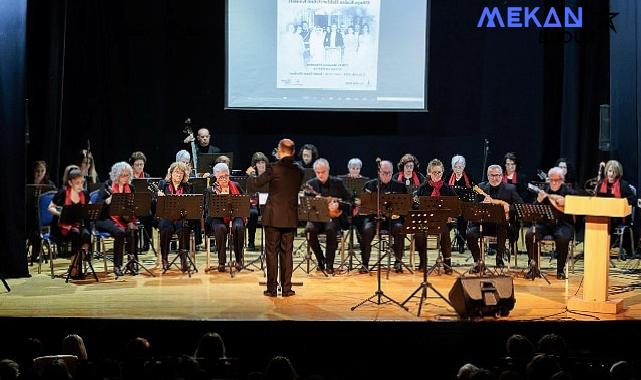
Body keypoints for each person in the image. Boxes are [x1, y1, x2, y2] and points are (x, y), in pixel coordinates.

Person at [246, 139, 304, 297]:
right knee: (287, 253)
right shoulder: (299, 171)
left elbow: (256, 183)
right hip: (290, 217)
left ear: (281, 151)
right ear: (292, 152)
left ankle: (272, 289)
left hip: (272, 217)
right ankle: (287, 289)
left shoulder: (273, 168)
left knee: (272, 253)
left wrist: (250, 174)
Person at [466, 165, 523, 272]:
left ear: (502, 176)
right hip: (484, 223)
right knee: (470, 234)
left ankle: (499, 260)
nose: (495, 178)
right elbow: (473, 208)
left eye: (497, 175)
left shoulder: (510, 189)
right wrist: (482, 204)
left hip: (503, 226)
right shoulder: (481, 188)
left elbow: (520, 206)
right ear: (488, 176)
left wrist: (508, 208)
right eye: (492, 175)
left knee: (501, 226)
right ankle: (478, 262)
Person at [524, 167, 575, 279]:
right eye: (551, 180)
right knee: (529, 234)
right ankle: (534, 268)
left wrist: (568, 202)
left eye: (557, 180)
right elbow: (532, 212)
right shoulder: (544, 190)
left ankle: (560, 270)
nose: (554, 182)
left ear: (562, 180)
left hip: (563, 224)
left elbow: (576, 208)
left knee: (563, 237)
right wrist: (538, 201)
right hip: (544, 224)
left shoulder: (568, 191)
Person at [303, 158, 352, 274]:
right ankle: (320, 259)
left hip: (333, 218)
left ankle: (330, 264)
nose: (321, 175)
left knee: (331, 229)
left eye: (323, 172)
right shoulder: (310, 184)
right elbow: (306, 205)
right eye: (318, 172)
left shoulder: (337, 183)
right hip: (317, 218)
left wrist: (338, 205)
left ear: (328, 170)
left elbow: (350, 201)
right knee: (309, 230)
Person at [360, 160, 408, 273]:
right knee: (367, 230)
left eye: (389, 173)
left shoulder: (400, 186)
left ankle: (398, 262)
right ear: (378, 172)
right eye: (384, 173)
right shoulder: (370, 185)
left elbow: (406, 207)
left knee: (400, 228)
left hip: (393, 220)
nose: (387, 175)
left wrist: (399, 213)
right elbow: (364, 207)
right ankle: (365, 263)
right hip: (375, 219)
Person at [95, 162, 138, 277]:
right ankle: (117, 265)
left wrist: (131, 219)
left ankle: (131, 263)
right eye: (122, 175)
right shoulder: (107, 185)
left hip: (123, 217)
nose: (125, 178)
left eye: (127, 175)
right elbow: (98, 206)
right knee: (119, 232)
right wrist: (108, 200)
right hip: (105, 218)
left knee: (132, 230)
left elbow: (133, 207)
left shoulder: (131, 187)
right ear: (116, 175)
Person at [413, 159, 456, 273]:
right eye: (434, 172)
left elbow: (456, 205)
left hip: (442, 221)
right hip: (426, 220)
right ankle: (423, 261)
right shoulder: (422, 187)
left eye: (439, 172)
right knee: (419, 234)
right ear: (429, 173)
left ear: (442, 173)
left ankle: (447, 263)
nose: (437, 175)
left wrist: (450, 215)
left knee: (445, 232)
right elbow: (415, 205)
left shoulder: (447, 188)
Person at [48, 169, 91, 279]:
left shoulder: (85, 194)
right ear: (70, 182)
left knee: (86, 235)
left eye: (82, 182)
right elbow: (50, 208)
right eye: (77, 183)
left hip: (79, 224)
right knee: (76, 233)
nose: (80, 185)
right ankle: (75, 267)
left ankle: (74, 265)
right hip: (62, 226)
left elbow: (89, 208)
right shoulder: (62, 193)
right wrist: (61, 213)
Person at [206, 163, 246, 272]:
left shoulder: (236, 185)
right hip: (217, 218)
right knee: (221, 228)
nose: (224, 179)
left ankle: (238, 260)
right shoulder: (211, 190)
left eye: (226, 176)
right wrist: (216, 197)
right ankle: (221, 262)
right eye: (221, 177)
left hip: (235, 215)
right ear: (216, 177)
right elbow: (207, 210)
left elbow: (244, 201)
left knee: (238, 227)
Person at [597, 160, 637, 259]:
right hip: (602, 214)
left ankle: (604, 250)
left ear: (618, 173)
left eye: (614, 172)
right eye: (609, 171)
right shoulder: (601, 184)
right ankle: (595, 248)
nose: (611, 174)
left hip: (619, 217)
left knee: (608, 222)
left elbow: (633, 200)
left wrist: (621, 203)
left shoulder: (624, 185)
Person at [156, 162, 192, 271]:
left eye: (181, 173)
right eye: (177, 172)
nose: (179, 175)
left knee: (184, 228)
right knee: (166, 228)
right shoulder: (163, 184)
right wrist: (159, 198)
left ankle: (183, 259)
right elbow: (154, 204)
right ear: (171, 173)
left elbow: (190, 204)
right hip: (166, 216)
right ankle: (165, 259)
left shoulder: (187, 186)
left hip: (180, 217)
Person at [447, 155, 475, 254]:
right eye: (456, 167)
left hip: (464, 206)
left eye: (460, 167)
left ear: (463, 167)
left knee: (463, 221)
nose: (458, 169)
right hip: (451, 206)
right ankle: (446, 244)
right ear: (453, 167)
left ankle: (461, 244)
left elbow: (474, 189)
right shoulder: (449, 175)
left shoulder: (468, 176)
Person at [247, 152, 269, 250]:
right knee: (253, 213)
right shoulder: (251, 176)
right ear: (255, 165)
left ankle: (270, 242)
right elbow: (249, 193)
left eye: (263, 163)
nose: (261, 165)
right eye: (258, 163)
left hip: (267, 203)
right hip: (254, 204)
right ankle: (251, 242)